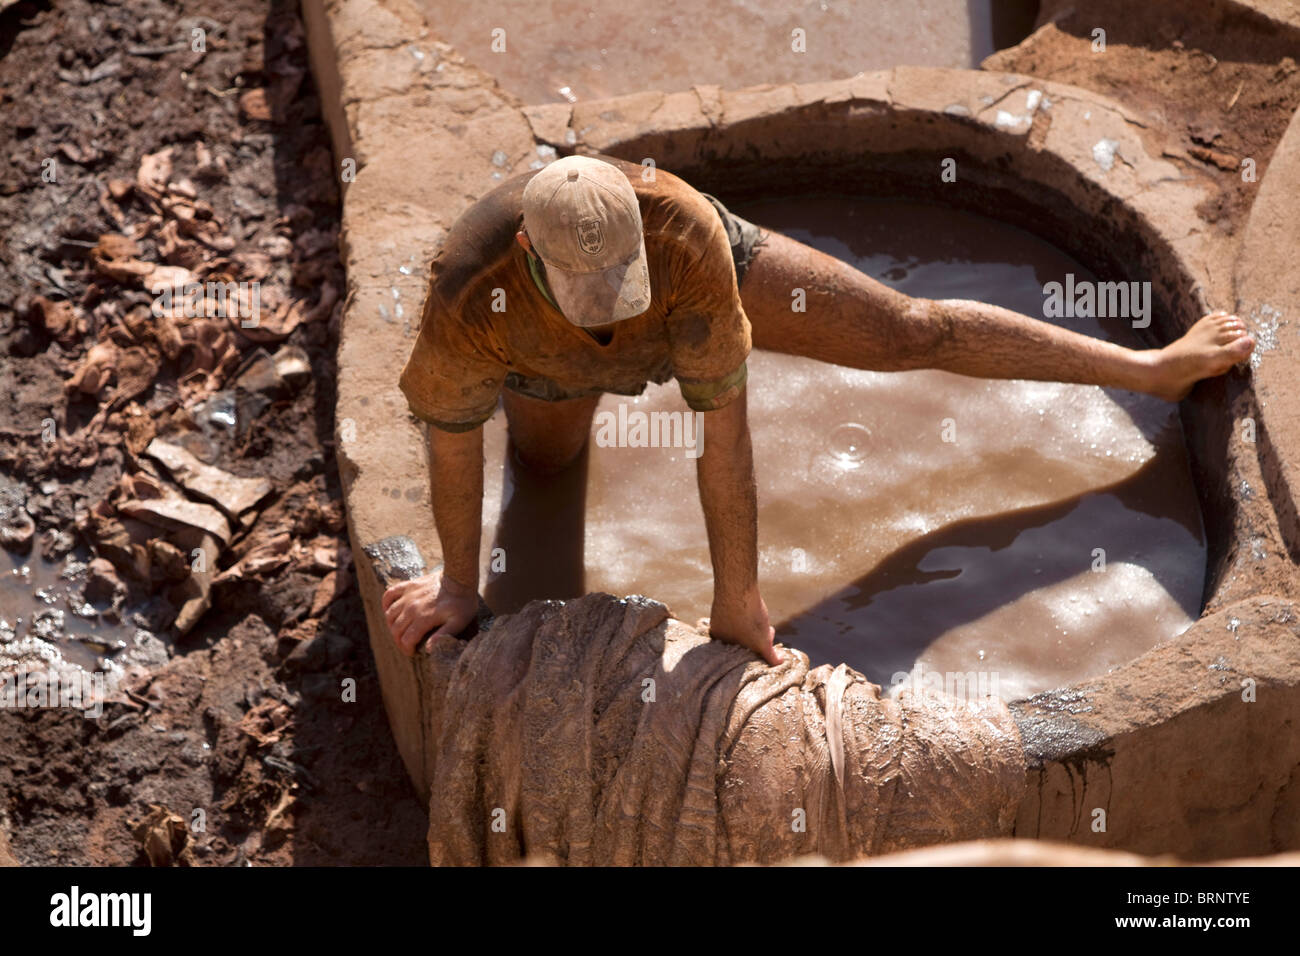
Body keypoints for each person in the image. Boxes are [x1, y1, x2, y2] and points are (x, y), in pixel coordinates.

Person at [382, 154, 1255, 665]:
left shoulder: (680, 239)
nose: (616, 304)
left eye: (622, 282)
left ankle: (1149, 369)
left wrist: (741, 599)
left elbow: (721, 433)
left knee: (910, 330)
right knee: (541, 477)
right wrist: (461, 583)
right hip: (543, 368)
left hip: (700, 279)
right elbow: (451, 439)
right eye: (592, 292)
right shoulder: (469, 296)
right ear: (529, 251)